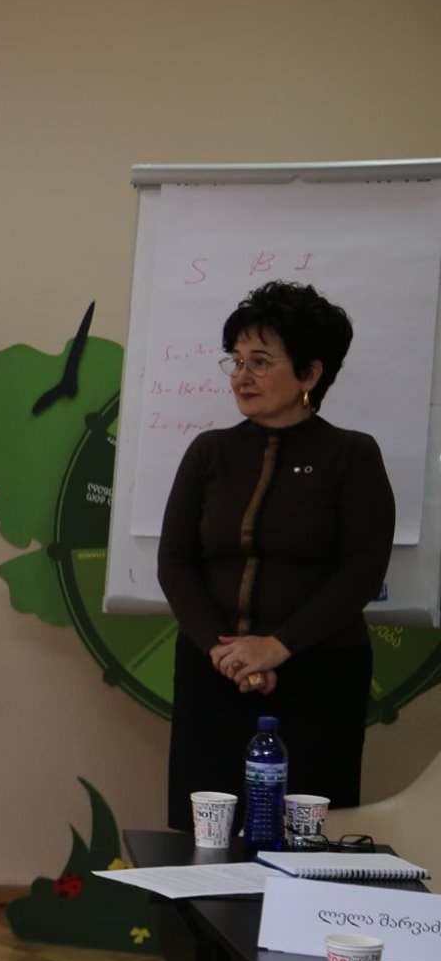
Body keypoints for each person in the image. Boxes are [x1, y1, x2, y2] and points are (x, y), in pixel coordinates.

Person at [158, 280, 392, 831]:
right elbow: (175, 562)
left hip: (318, 675)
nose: (241, 376)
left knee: (306, 842)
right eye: (237, 361)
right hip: (213, 672)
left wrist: (275, 647)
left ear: (310, 374)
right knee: (204, 839)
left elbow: (361, 571)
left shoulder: (352, 455)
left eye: (260, 362)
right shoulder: (209, 452)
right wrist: (226, 654)